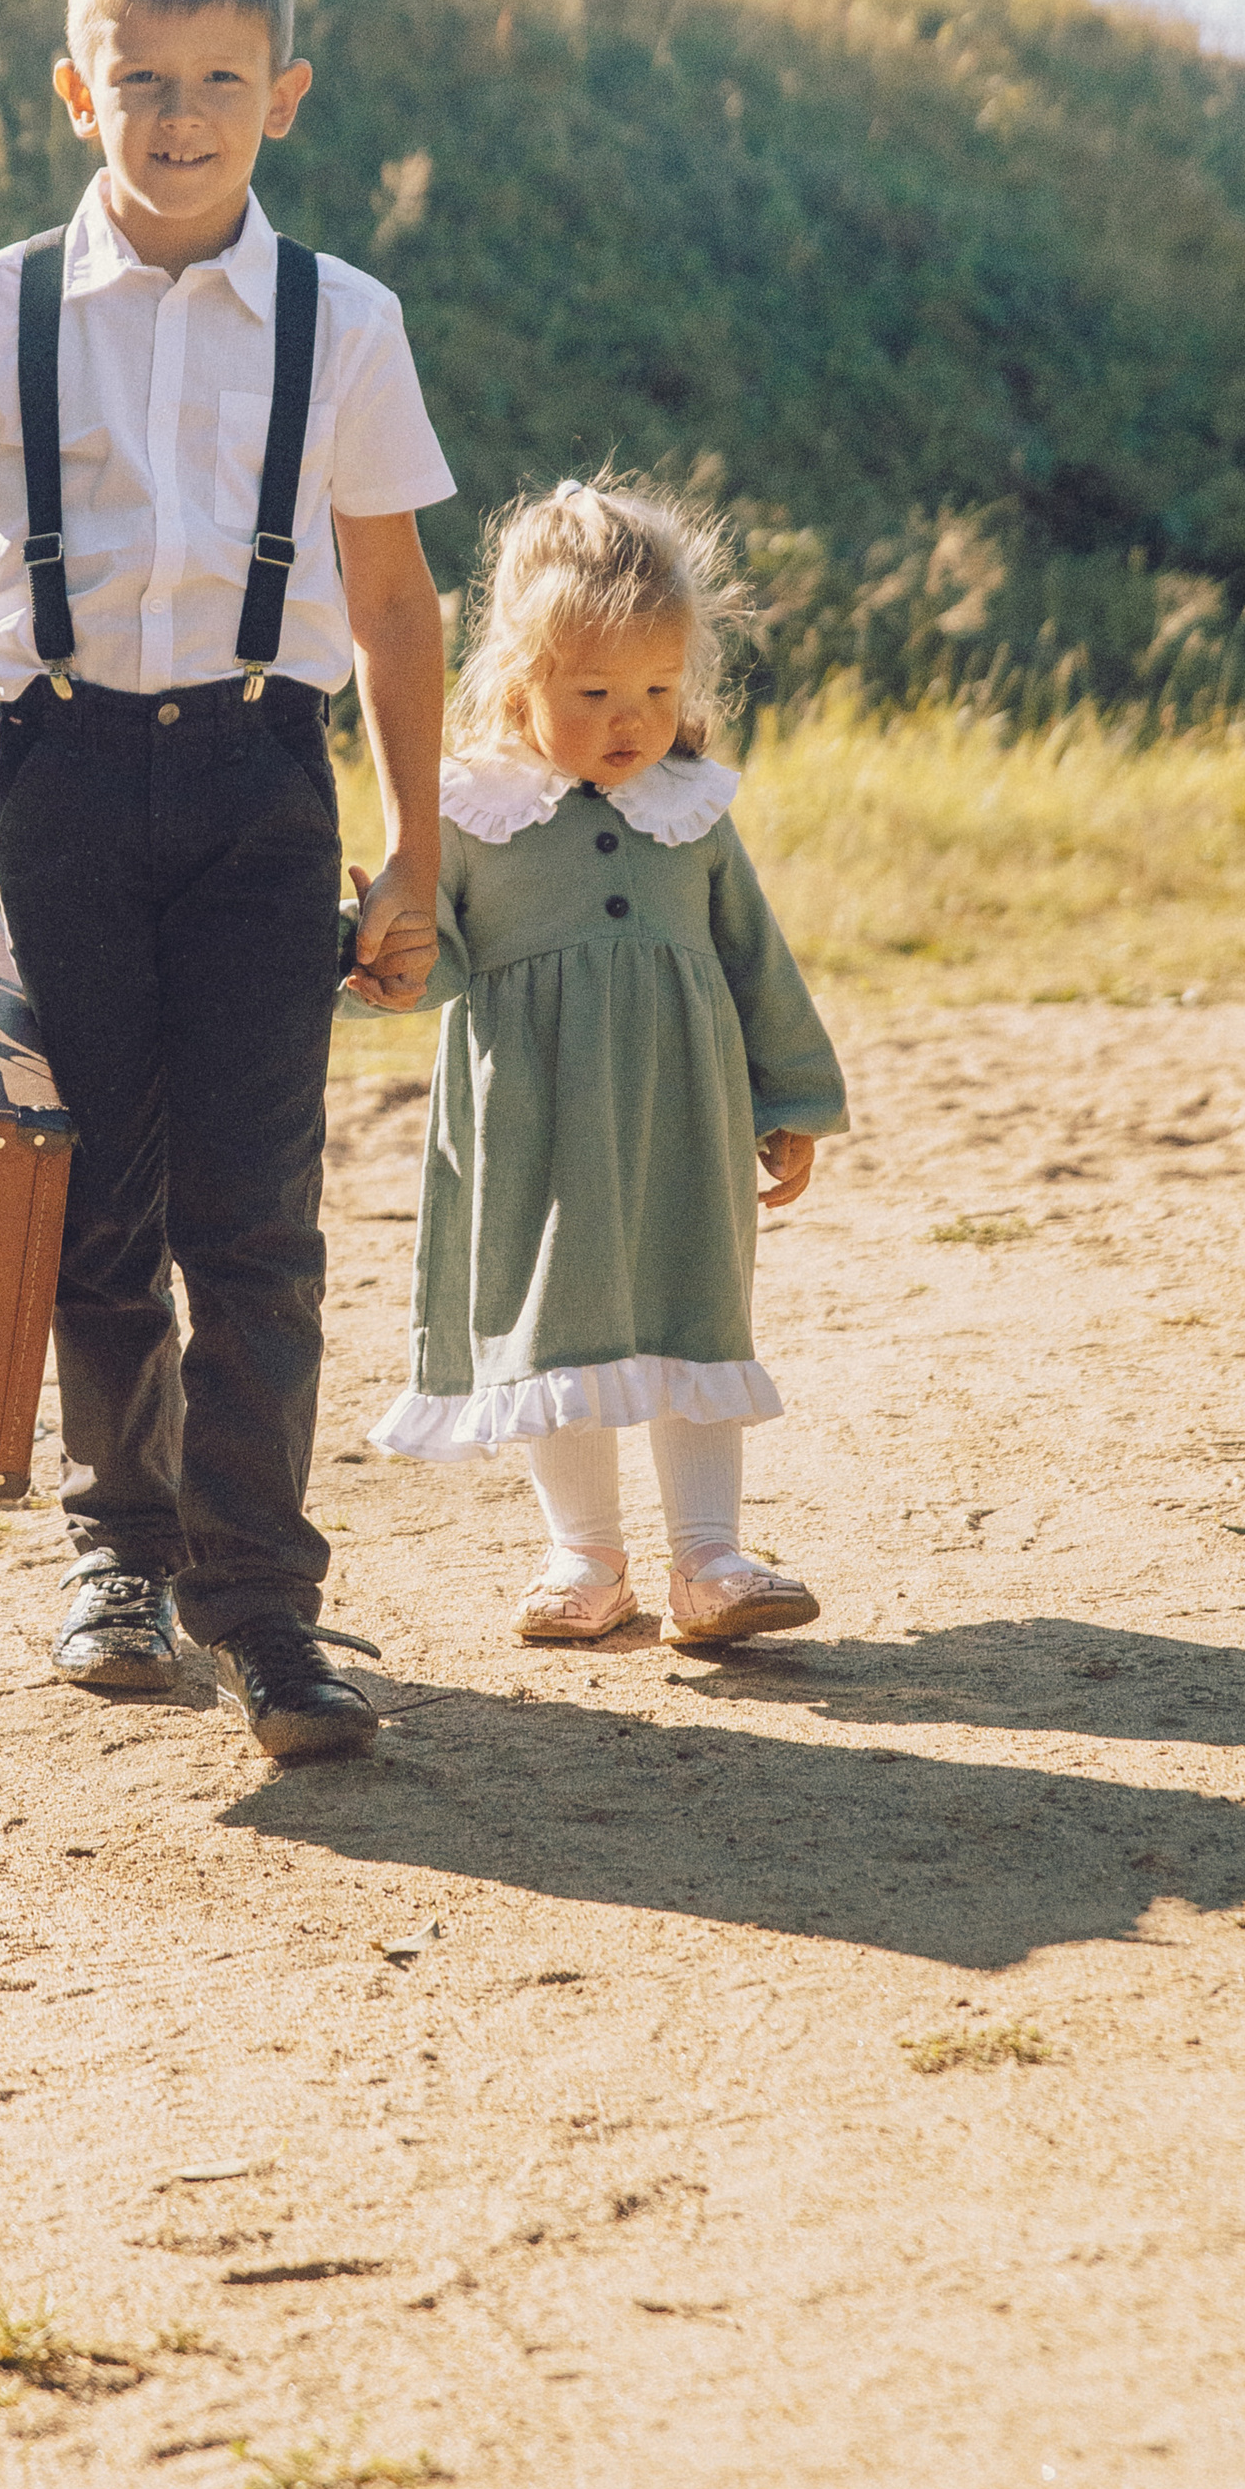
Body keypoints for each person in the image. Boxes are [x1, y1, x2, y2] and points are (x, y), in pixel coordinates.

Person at [0, 0, 457, 1761]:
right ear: (79, 90)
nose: (181, 116)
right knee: (97, 1204)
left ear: (284, 95)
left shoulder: (343, 320)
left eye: (221, 81)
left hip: (262, 788)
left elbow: (395, 604)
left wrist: (417, 846)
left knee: (258, 1217)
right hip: (58, 779)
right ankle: (120, 1557)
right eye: (142, 80)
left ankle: (268, 1613)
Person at [363, 473, 847, 1647]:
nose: (632, 719)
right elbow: (434, 964)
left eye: (657, 689)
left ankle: (710, 1560)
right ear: (518, 682)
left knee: (695, 1308)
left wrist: (789, 1099)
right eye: (594, 693)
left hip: (684, 1111)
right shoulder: (466, 815)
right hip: (533, 1123)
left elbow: (754, 959)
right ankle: (584, 1560)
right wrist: (380, 954)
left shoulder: (692, 809)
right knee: (556, 1326)